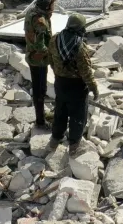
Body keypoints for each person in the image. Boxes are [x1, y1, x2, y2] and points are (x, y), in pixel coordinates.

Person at [47, 13, 98, 153]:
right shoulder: (80, 47)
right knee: (78, 115)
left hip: (60, 82)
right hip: (77, 86)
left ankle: (55, 139)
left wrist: (58, 71)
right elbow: (86, 71)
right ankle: (74, 144)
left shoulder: (54, 39)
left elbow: (50, 59)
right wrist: (94, 88)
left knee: (60, 111)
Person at [23, 0, 55, 128]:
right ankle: (40, 120)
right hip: (38, 60)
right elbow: (40, 45)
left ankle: (40, 116)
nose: (54, 7)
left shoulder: (32, 11)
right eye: (53, 4)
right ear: (47, 6)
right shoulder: (40, 21)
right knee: (40, 90)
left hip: (31, 55)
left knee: (38, 88)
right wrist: (52, 53)